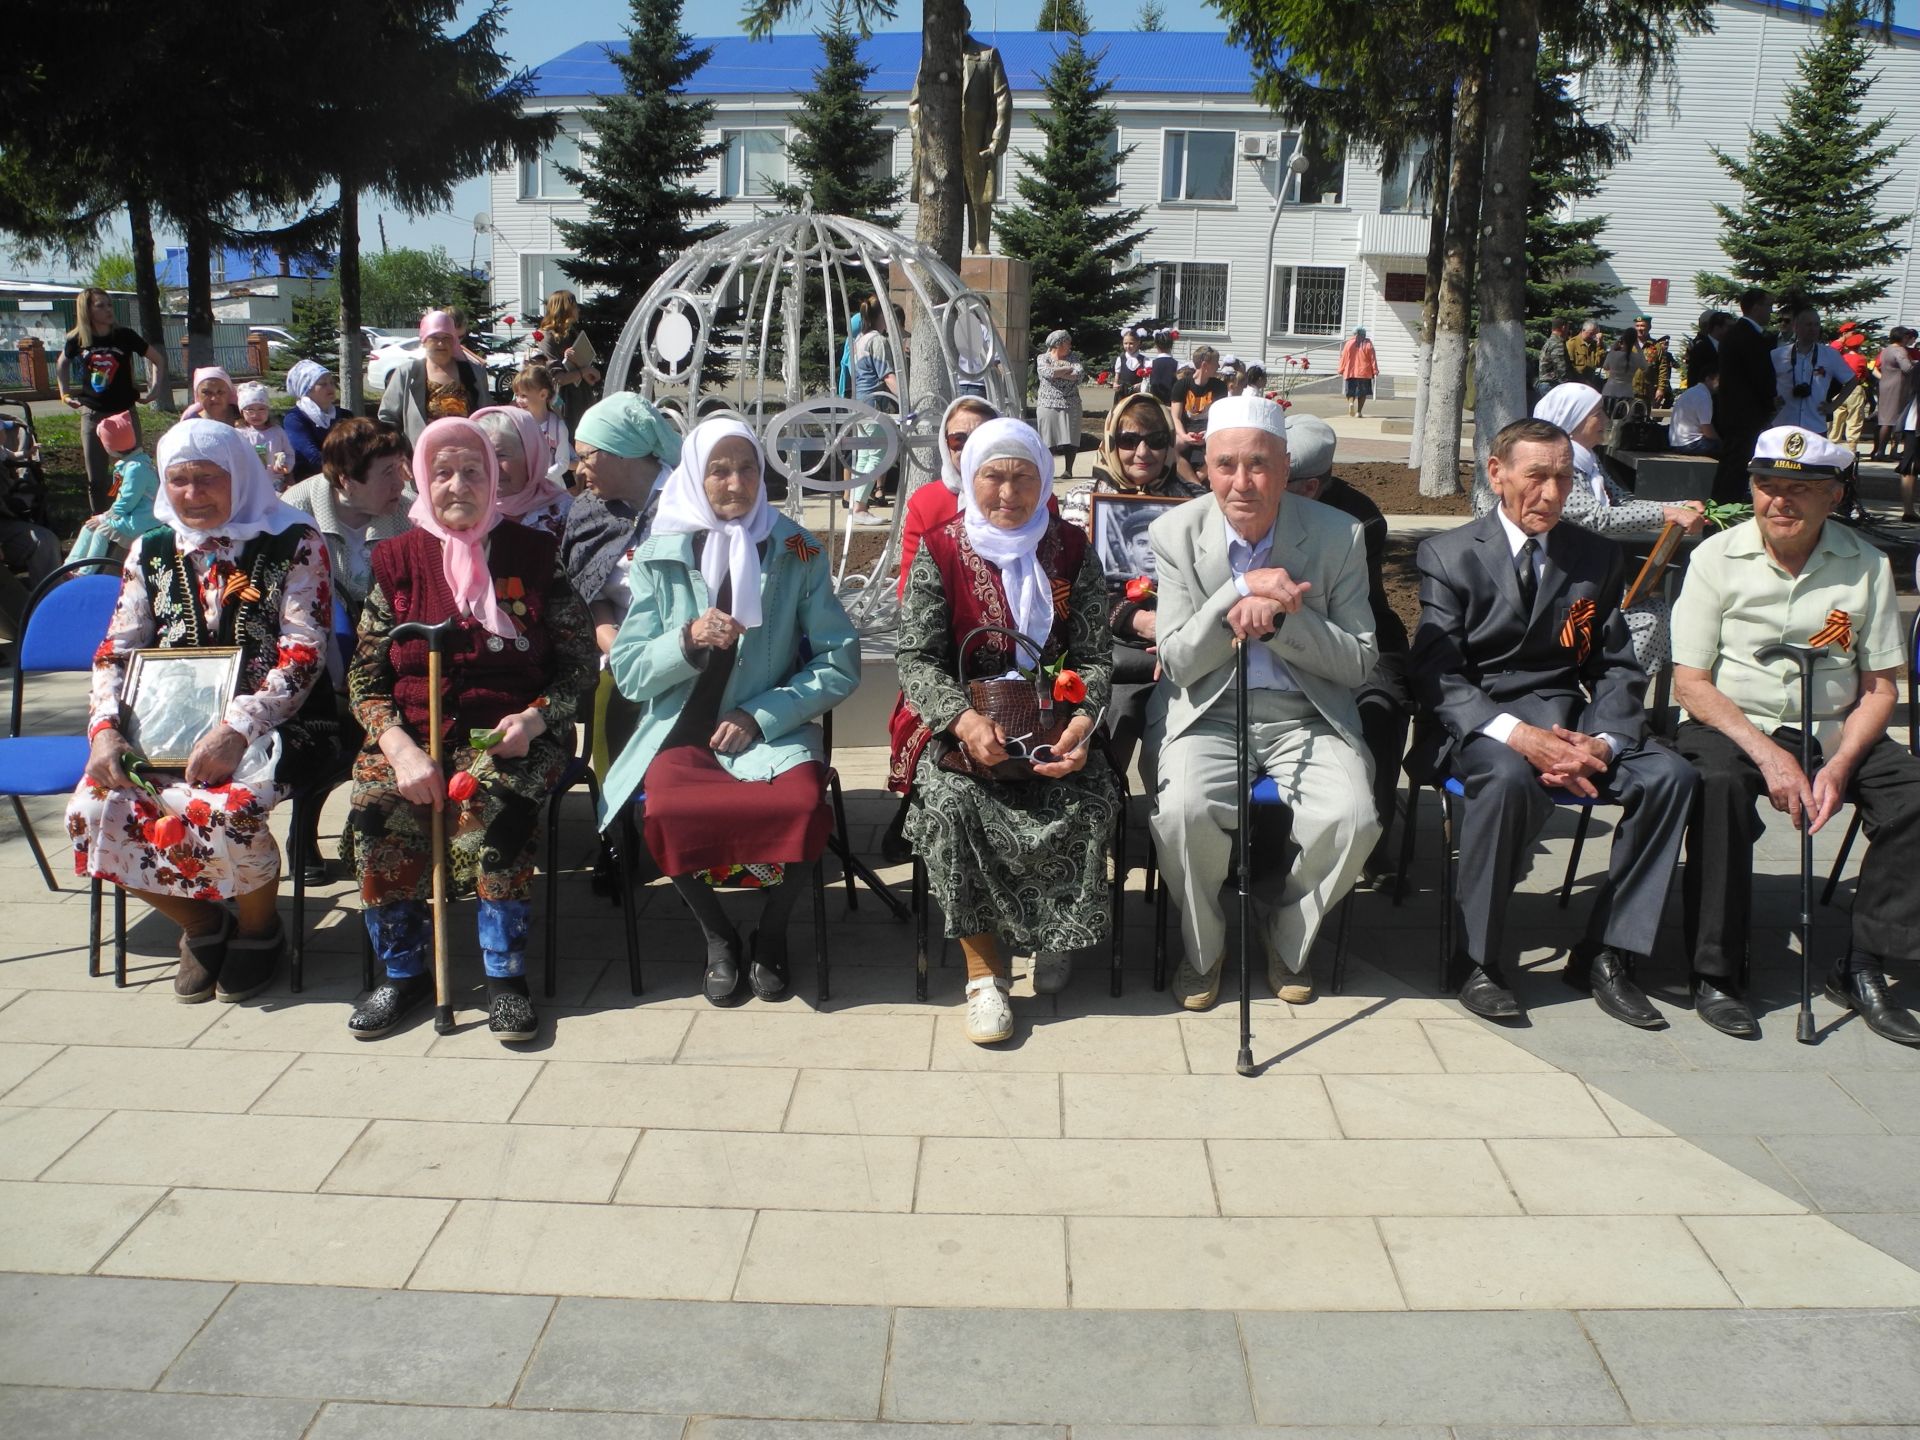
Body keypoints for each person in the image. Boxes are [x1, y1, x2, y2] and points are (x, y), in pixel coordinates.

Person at [1408, 416, 1698, 1027]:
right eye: (1535, 477)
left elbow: (1616, 664)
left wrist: (1604, 739)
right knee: (1509, 778)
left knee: (1671, 775)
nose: (1550, 494)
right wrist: (1521, 737)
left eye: (1563, 479)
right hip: (1483, 726)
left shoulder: (1594, 555)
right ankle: (1478, 957)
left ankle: (1606, 953)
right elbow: (1440, 675)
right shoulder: (1448, 554)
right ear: (1498, 474)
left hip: (1572, 722)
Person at [344, 418, 597, 1044]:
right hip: (415, 738)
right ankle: (402, 974)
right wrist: (400, 749)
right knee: (375, 806)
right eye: (442, 473)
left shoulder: (533, 557)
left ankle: (504, 977)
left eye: (473, 471)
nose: (458, 484)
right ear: (420, 480)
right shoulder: (397, 561)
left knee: (494, 805)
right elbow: (365, 682)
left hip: (511, 734)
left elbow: (578, 668)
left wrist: (536, 719)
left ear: (494, 478)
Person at [68, 420, 337, 1003]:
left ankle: (262, 930)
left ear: (238, 476)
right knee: (93, 806)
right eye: (179, 481)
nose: (192, 494)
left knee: (227, 806)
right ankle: (201, 924)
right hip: (163, 724)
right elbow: (117, 647)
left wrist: (238, 729)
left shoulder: (294, 539)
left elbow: (304, 649)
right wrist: (105, 728)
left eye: (207, 479)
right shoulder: (153, 548)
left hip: (282, 722)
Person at [1669, 426, 1920, 1045]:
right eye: (1767, 486)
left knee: (1914, 796)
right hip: (1733, 721)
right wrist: (1773, 759)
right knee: (1719, 784)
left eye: (1800, 489)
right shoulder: (1715, 557)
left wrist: (1837, 768)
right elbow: (1691, 683)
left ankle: (1863, 964)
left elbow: (1880, 687)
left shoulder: (1864, 564)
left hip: (1833, 724)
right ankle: (1717, 971)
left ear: (1833, 496)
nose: (1780, 501)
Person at [601, 419, 860, 1006]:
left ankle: (770, 936)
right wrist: (687, 639)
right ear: (696, 475)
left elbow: (839, 661)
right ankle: (718, 936)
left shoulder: (798, 549)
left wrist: (762, 716)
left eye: (748, 467)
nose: (737, 482)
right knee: (664, 811)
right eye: (720, 469)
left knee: (800, 807)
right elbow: (631, 671)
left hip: (769, 730)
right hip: (681, 732)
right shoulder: (660, 555)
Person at [1149, 394, 1380, 1011]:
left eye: (1259, 465)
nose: (1242, 482)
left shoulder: (1339, 536)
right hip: (1209, 711)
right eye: (1226, 465)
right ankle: (1205, 947)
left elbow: (1359, 662)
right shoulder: (1175, 532)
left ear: (1286, 470)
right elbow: (1177, 661)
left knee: (1355, 815)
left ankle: (1286, 933)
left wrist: (1280, 622)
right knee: (1182, 814)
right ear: (1204, 467)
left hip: (1307, 714)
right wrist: (1238, 591)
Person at [892, 418, 1115, 1038]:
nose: (1008, 494)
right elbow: (915, 656)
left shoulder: (1071, 549)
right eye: (994, 476)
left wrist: (1081, 725)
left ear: (1043, 479)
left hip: (1056, 721)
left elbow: (1095, 656)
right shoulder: (941, 549)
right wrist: (962, 720)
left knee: (1087, 794)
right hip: (966, 728)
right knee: (951, 804)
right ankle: (984, 976)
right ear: (969, 475)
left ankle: (1053, 936)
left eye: (1023, 478)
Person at [1281, 416, 1411, 881]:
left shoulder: (1360, 518)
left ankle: (1372, 841)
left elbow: (1343, 610)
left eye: (1282, 479)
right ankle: (1265, 835)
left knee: (1382, 710)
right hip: (1284, 635)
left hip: (1362, 634)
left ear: (1312, 485)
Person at [1532, 382, 1707, 675]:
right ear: (1573, 420)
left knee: (1656, 611)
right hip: (1565, 582)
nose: (1605, 420)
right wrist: (1667, 513)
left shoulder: (1589, 462)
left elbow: (1622, 502)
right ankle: (1614, 695)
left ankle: (1622, 698)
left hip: (1592, 571)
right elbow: (1595, 517)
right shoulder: (1561, 466)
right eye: (1597, 413)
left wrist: (1681, 505)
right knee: (1648, 617)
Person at [560, 392, 683, 775]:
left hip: (687, 648)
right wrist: (604, 630)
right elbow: (583, 589)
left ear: (621, 452)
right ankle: (617, 829)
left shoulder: (689, 503)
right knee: (611, 711)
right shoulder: (589, 510)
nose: (579, 471)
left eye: (587, 456)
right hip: (617, 652)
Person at [282, 418, 413, 620]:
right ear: (348, 481)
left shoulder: (411, 513)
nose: (400, 484)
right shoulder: (296, 513)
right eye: (388, 473)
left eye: (399, 469)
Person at [58, 286, 166, 514]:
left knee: (134, 470)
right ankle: (100, 522)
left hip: (124, 414)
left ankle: (136, 519)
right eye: (101, 305)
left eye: (109, 304)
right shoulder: (77, 339)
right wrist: (64, 393)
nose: (108, 310)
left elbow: (158, 359)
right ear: (87, 310)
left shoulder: (124, 336)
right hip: (92, 414)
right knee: (96, 479)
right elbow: (62, 364)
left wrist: (155, 389)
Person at [897, 395, 997, 600]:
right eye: (958, 440)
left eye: (982, 437)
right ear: (945, 443)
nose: (969, 447)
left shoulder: (1032, 500)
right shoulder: (926, 503)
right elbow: (911, 590)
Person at [378, 310, 489, 443]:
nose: (441, 343)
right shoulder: (407, 373)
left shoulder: (473, 372)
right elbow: (388, 417)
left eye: (446, 338)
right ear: (424, 340)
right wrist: (399, 452)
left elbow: (486, 415)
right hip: (420, 455)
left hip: (465, 454)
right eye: (435, 337)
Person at [1713, 288, 1779, 503]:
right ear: (1756, 307)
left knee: (1732, 463)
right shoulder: (1749, 336)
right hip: (1745, 412)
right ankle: (1725, 508)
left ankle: (1722, 504)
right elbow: (1759, 375)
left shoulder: (1735, 334)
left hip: (1733, 410)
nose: (1771, 311)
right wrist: (1771, 401)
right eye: (1768, 306)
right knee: (1737, 465)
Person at [65, 410, 158, 564]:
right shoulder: (130, 464)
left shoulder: (136, 469)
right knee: (89, 527)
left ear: (111, 447)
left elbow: (127, 502)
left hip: (144, 519)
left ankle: (86, 572)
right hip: (132, 515)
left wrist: (104, 517)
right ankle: (70, 565)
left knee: (102, 530)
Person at [473, 405, 571, 539]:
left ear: (532, 456)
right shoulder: (469, 511)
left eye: (501, 455)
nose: (492, 467)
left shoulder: (567, 513)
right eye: (481, 457)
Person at [847, 296, 902, 527]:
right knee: (878, 455)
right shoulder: (878, 340)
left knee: (864, 457)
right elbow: (887, 375)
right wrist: (907, 400)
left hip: (859, 403)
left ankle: (856, 506)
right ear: (882, 315)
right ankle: (860, 506)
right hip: (874, 406)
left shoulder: (859, 340)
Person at [531, 289, 601, 433]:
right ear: (565, 309)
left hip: (582, 396)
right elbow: (558, 378)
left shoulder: (573, 333)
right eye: (575, 306)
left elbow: (591, 377)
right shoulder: (546, 337)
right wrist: (585, 371)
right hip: (564, 402)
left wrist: (585, 369)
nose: (578, 309)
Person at [1771, 305, 1848, 433]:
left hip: (1815, 426)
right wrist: (1771, 399)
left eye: (1816, 325)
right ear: (1796, 327)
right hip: (1783, 424)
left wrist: (1833, 405)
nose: (1813, 329)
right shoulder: (1777, 354)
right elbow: (1764, 381)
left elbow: (1852, 380)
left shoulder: (1830, 355)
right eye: (1808, 324)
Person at [1035, 329, 1086, 478]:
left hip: (1071, 403)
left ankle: (1068, 470)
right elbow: (1047, 373)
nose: (1070, 344)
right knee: (1047, 439)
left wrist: (1058, 371)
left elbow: (1079, 374)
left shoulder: (1074, 357)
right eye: (1067, 341)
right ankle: (1048, 471)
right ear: (1058, 343)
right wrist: (1067, 369)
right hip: (1047, 403)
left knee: (1071, 437)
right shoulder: (1042, 358)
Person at [512, 364, 573, 488]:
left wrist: (539, 478)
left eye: (523, 396)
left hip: (550, 490)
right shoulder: (517, 424)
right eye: (516, 395)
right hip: (524, 490)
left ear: (543, 395)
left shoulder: (557, 427)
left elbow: (563, 463)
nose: (518, 400)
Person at [282, 360, 342, 483]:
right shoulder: (295, 418)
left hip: (344, 478)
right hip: (309, 482)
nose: (330, 387)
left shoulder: (343, 415)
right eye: (323, 384)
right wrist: (345, 473)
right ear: (306, 390)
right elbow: (312, 456)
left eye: (331, 382)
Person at [1172, 346, 1230, 466]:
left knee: (1222, 450)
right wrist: (1184, 436)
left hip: (1209, 432)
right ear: (1205, 365)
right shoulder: (1181, 385)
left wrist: (1208, 432)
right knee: (1170, 449)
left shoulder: (1219, 387)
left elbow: (1221, 417)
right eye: (1216, 362)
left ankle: (1197, 481)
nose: (1219, 366)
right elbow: (1175, 417)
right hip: (1186, 432)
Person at [1868, 326, 1914, 463]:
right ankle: (1881, 452)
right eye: (1907, 336)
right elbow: (1907, 368)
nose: (1908, 339)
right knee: (1889, 421)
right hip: (1897, 388)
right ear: (1902, 337)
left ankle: (1878, 450)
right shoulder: (1899, 351)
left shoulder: (1886, 350)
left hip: (1885, 385)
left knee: (1884, 420)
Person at [235, 382, 292, 484]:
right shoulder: (239, 434)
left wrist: (285, 465)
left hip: (275, 482)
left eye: (261, 409)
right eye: (250, 410)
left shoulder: (277, 432)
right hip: (251, 483)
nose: (256, 414)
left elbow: (288, 453)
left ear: (268, 410)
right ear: (242, 411)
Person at [1629, 316, 1672, 408]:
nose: (1639, 328)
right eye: (1637, 326)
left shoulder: (1656, 347)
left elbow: (1663, 369)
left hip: (1646, 392)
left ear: (1649, 327)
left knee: (1643, 419)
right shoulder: (1628, 344)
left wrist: (1661, 389)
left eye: (1642, 326)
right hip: (1628, 391)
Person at [1338, 327, 1379, 417]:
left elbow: (1343, 357)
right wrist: (1375, 370)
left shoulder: (1348, 343)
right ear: (1364, 334)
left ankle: (1351, 403)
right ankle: (1358, 412)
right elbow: (1372, 359)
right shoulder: (1368, 343)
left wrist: (1341, 369)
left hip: (1350, 371)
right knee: (1362, 393)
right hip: (1364, 372)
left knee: (1350, 391)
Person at [1537, 319, 1573, 401]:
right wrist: (1567, 385)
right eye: (1567, 327)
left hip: (1546, 384)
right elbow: (1560, 367)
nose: (1568, 330)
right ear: (1563, 327)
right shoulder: (1557, 343)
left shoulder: (1549, 342)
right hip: (1552, 386)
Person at [1113, 325, 1151, 399]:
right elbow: (1117, 376)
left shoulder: (1144, 360)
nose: (1128, 346)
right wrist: (1115, 384)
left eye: (1131, 343)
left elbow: (1148, 378)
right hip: (1122, 394)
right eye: (1125, 343)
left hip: (1138, 394)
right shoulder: (1120, 359)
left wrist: (1141, 384)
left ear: (1138, 343)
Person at [1600, 333, 1637, 405]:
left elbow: (1605, 366)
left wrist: (1613, 348)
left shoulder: (1613, 354)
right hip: (1626, 392)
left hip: (1612, 390)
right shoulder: (1634, 357)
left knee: (1609, 413)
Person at [1566, 321, 1606, 387]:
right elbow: (1569, 366)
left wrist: (1600, 345)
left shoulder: (1595, 344)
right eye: (1591, 333)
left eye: (1595, 334)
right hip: (1576, 383)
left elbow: (1599, 363)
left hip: (1591, 382)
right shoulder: (1572, 344)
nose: (1593, 337)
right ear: (1583, 330)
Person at [1146, 328, 1179, 403]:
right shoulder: (1177, 365)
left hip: (1154, 403)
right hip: (1171, 403)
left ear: (1156, 346)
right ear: (1171, 345)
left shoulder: (1150, 364)